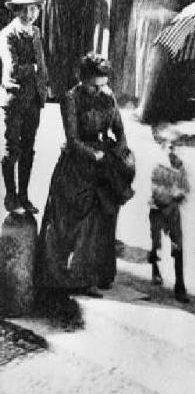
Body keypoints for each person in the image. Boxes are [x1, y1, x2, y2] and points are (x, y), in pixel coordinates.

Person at [36, 53, 134, 298]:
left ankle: (96, 275)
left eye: (102, 83)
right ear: (83, 79)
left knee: (100, 221)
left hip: (102, 164)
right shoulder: (71, 98)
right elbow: (72, 139)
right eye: (94, 84)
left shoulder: (107, 96)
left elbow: (119, 129)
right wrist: (94, 155)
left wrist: (120, 147)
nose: (98, 89)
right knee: (71, 220)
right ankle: (66, 278)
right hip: (76, 165)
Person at [0, 0, 48, 214]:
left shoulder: (36, 32)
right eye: (26, 9)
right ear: (17, 10)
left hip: (33, 101)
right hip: (14, 98)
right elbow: (13, 70)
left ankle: (24, 196)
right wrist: (35, 69)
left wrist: (43, 87)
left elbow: (42, 63)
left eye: (35, 9)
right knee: (12, 149)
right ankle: (10, 196)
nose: (31, 14)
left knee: (29, 149)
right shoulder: (7, 35)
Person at [147, 126, 190, 303]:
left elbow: (186, 187)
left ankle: (180, 284)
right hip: (158, 209)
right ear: (163, 146)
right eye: (170, 146)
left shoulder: (180, 167)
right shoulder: (158, 166)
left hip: (172, 211)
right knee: (156, 242)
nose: (174, 150)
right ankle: (155, 268)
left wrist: (180, 195)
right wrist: (169, 195)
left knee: (177, 245)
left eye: (177, 146)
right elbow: (154, 188)